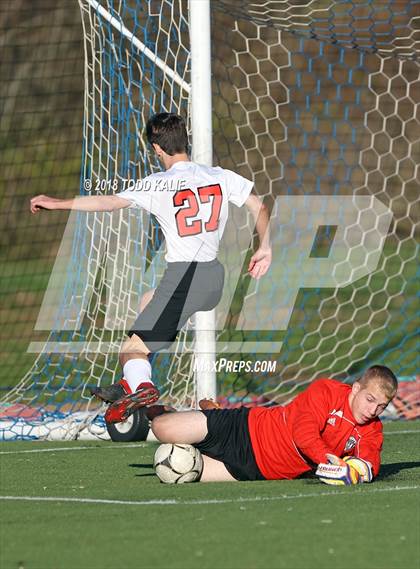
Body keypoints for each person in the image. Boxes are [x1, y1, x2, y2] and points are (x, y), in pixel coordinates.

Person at [30, 112, 272, 424]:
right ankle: (130, 383)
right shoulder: (219, 175)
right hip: (213, 276)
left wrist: (58, 203)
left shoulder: (157, 184)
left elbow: (108, 203)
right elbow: (259, 206)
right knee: (147, 300)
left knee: (129, 350)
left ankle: (141, 385)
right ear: (185, 141)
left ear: (157, 149)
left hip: (185, 277)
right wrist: (264, 247)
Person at [150, 365, 398, 484]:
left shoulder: (372, 428)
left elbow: (369, 461)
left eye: (381, 407)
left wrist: (356, 471)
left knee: (181, 473)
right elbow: (303, 433)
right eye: (369, 399)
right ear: (356, 389)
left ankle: (198, 440)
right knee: (161, 429)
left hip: (255, 471)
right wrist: (332, 462)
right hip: (246, 428)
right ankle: (160, 412)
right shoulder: (327, 391)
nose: (372, 410)